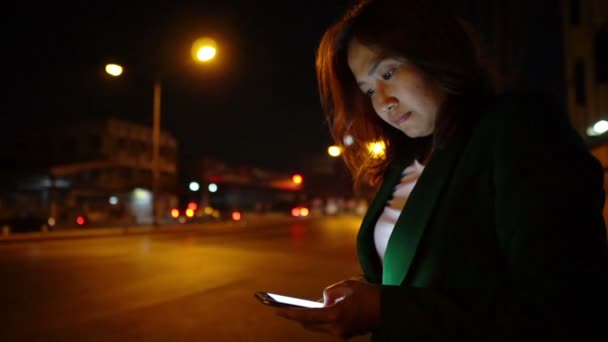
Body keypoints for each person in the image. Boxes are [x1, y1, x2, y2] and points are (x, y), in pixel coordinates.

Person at [273, 0, 608, 340]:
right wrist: (362, 294)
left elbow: (564, 305)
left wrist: (385, 307)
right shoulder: (406, 162)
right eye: (369, 90)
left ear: (435, 54)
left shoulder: (519, 130)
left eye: (387, 73)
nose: (383, 100)